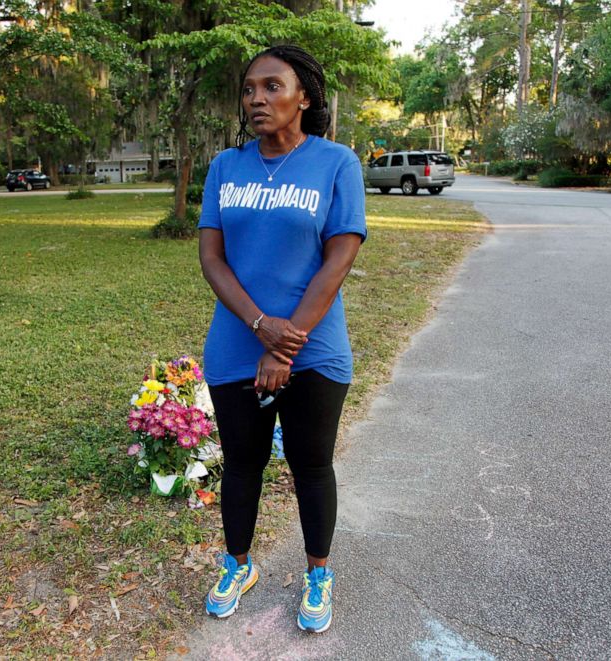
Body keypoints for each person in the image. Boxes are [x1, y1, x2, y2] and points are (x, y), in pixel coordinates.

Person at [197, 45, 366, 634]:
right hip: (236, 343)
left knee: (310, 464)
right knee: (241, 464)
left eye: (272, 87)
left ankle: (318, 571)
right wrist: (260, 328)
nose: (257, 100)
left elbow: (339, 257)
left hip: (314, 348)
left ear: (305, 98)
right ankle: (237, 564)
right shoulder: (226, 166)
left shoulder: (337, 163)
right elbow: (213, 260)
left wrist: (283, 345)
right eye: (249, 90)